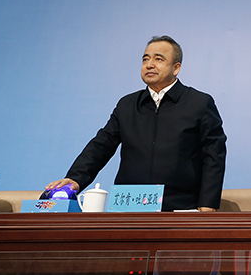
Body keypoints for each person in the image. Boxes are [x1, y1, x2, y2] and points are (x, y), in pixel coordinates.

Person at [46, 36, 227, 212]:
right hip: (129, 206)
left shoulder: (199, 103)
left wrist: (207, 203)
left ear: (176, 68)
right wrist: (75, 178)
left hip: (180, 206)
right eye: (145, 59)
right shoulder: (127, 105)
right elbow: (101, 145)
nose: (149, 64)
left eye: (158, 59)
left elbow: (214, 154)